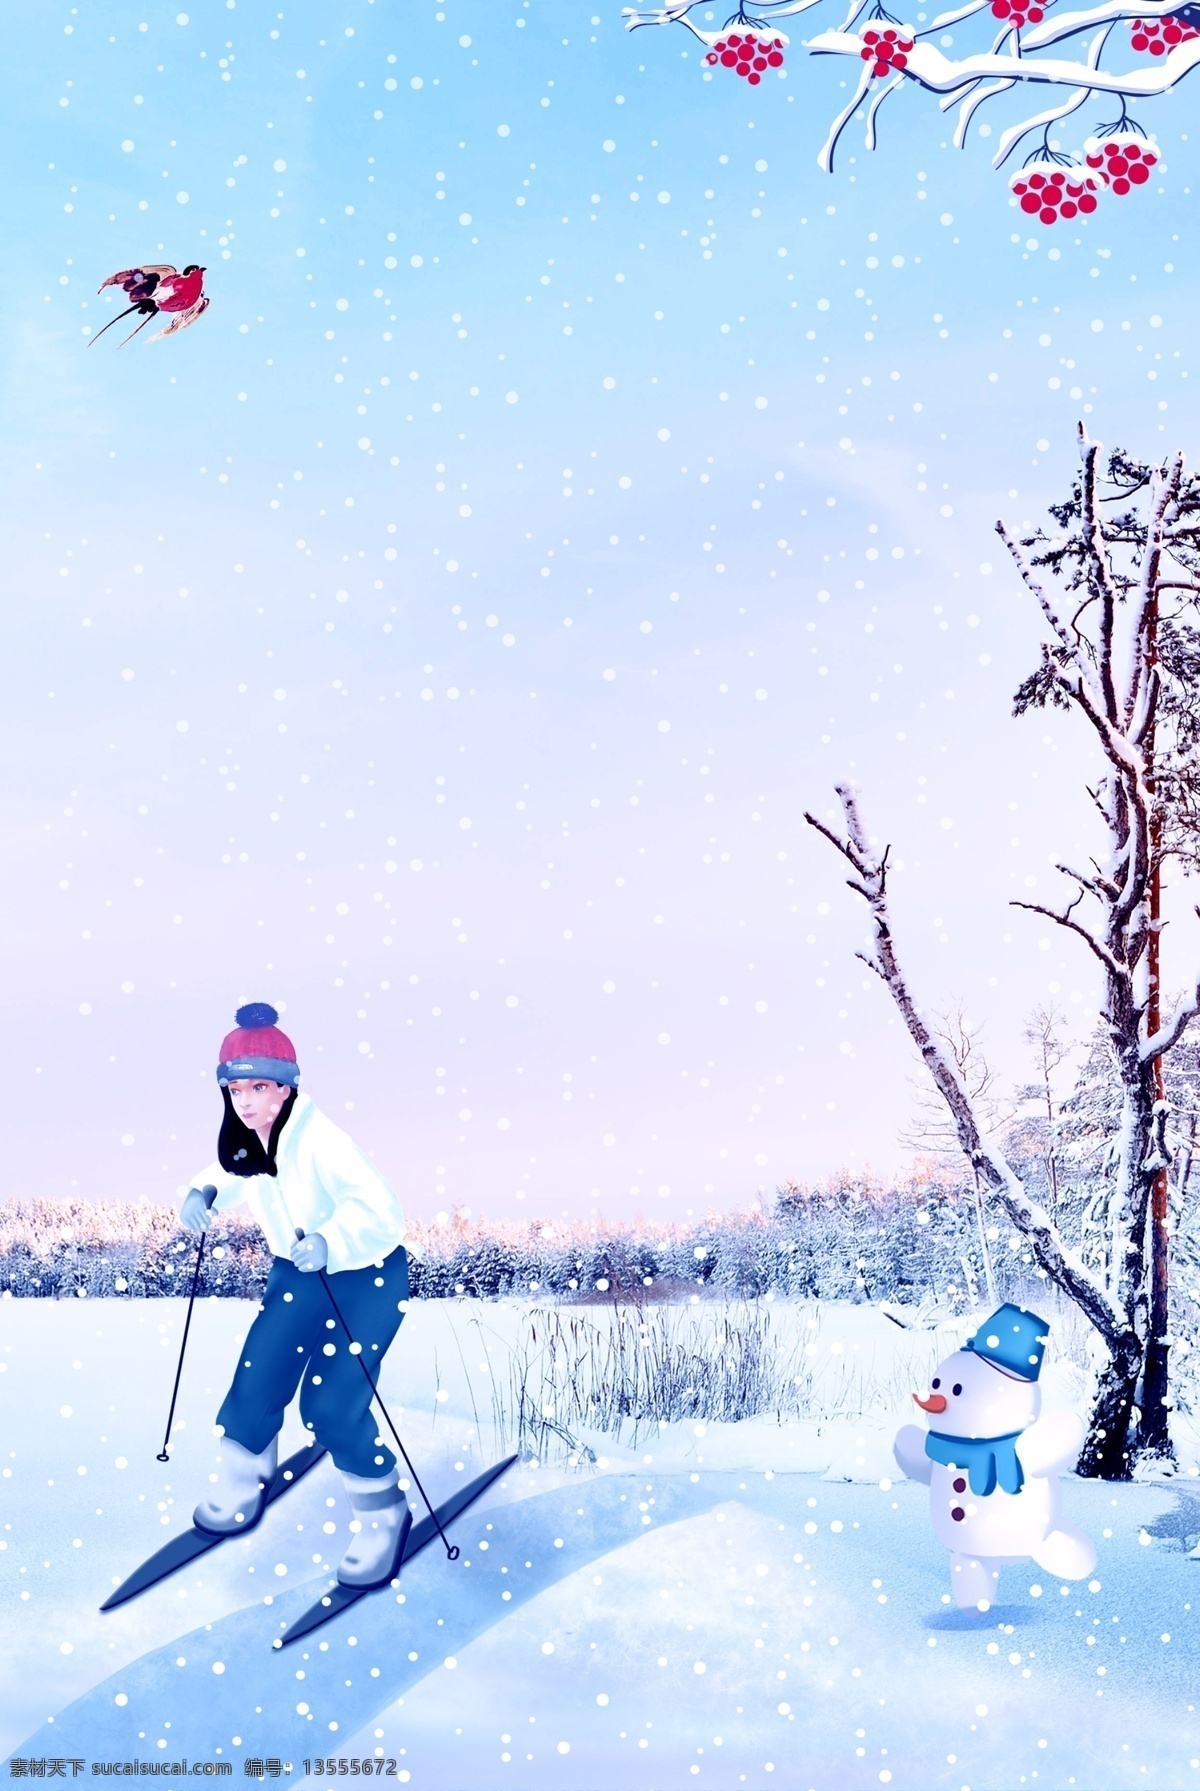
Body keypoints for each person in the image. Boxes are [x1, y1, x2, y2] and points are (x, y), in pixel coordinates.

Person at [180, 1002, 418, 1588]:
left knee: (331, 1403)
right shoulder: (251, 1139)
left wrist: (332, 1241)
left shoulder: (323, 1141)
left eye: (259, 1086)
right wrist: (200, 1192)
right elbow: (230, 1175)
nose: (247, 1101)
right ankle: (245, 1473)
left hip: (367, 1276)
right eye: (236, 1090)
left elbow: (382, 1213)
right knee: (259, 1373)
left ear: (285, 1088)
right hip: (296, 1275)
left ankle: (382, 1512)